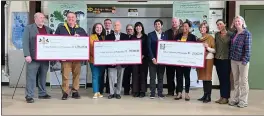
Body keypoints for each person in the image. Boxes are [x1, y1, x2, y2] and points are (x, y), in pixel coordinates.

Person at [55, 12, 87, 100]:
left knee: (76, 74)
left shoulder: (81, 30)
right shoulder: (61, 28)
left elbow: (85, 41)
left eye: (73, 17)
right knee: (65, 75)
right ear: (66, 18)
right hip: (65, 57)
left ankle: (75, 91)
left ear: (75, 19)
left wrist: (79, 37)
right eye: (69, 17)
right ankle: (65, 92)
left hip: (77, 57)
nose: (71, 19)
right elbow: (55, 40)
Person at [22, 12, 53, 103]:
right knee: (31, 77)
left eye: (43, 17)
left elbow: (53, 41)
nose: (42, 19)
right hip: (33, 57)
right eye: (40, 17)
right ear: (35, 19)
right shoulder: (29, 28)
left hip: (44, 58)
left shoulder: (48, 29)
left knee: (43, 76)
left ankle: (42, 93)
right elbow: (25, 42)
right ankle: (29, 95)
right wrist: (27, 54)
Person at [229, 16, 252, 108]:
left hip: (243, 61)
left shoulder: (247, 33)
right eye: (235, 21)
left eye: (238, 21)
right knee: (236, 81)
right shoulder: (234, 33)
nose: (237, 23)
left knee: (244, 81)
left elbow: (248, 49)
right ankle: (235, 99)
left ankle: (243, 101)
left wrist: (245, 60)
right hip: (233, 60)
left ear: (242, 22)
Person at [106, 21, 130, 99]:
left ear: (120, 27)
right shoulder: (108, 37)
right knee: (111, 77)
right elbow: (107, 49)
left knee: (120, 77)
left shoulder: (126, 36)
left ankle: (118, 93)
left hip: (121, 61)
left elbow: (127, 48)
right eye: (115, 25)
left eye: (118, 25)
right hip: (111, 62)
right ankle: (111, 93)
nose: (116, 26)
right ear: (113, 27)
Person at [174, 20, 196, 101]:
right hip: (179, 60)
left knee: (187, 77)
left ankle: (187, 93)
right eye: (183, 26)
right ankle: (179, 93)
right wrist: (177, 43)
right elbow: (173, 47)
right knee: (179, 77)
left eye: (186, 26)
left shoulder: (192, 37)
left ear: (189, 28)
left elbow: (195, 48)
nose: (184, 28)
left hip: (187, 61)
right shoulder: (177, 36)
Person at [148, 19, 168, 99]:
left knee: (160, 77)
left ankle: (160, 93)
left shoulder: (165, 35)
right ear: (154, 26)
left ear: (161, 26)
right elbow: (149, 47)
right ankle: (152, 93)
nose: (157, 25)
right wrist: (153, 58)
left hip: (162, 60)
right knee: (152, 77)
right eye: (156, 24)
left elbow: (167, 47)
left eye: (159, 24)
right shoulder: (150, 34)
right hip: (152, 60)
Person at [214, 19, 233, 104]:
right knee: (221, 79)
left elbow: (232, 47)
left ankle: (226, 97)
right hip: (218, 59)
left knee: (226, 79)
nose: (219, 26)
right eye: (217, 25)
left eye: (220, 24)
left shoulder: (231, 34)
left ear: (224, 24)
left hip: (226, 59)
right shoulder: (217, 35)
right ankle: (222, 96)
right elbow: (215, 47)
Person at [196, 23, 215, 103]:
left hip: (208, 59)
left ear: (206, 29)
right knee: (203, 78)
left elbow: (214, 50)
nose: (202, 29)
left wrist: (207, 47)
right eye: (201, 27)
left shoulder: (210, 38)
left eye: (204, 27)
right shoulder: (199, 39)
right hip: (201, 60)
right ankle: (205, 95)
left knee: (208, 78)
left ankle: (208, 96)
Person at [131, 22, 148, 98]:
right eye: (137, 26)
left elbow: (147, 47)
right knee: (135, 75)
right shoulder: (132, 37)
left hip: (143, 59)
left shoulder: (145, 36)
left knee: (143, 75)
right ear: (135, 28)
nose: (138, 28)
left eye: (139, 26)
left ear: (142, 28)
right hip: (134, 59)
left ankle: (143, 91)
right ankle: (135, 91)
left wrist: (143, 55)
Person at [165, 17, 181, 96]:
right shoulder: (167, 32)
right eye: (173, 22)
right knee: (170, 75)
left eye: (175, 22)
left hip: (179, 58)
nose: (174, 23)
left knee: (179, 75)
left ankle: (179, 91)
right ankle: (170, 91)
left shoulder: (183, 32)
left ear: (179, 23)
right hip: (169, 58)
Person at [89, 23, 106, 99]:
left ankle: (99, 92)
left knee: (100, 76)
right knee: (95, 76)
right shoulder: (91, 37)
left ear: (102, 29)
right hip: (94, 60)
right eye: (97, 27)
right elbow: (91, 48)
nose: (99, 29)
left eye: (100, 27)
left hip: (102, 60)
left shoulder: (104, 37)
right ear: (94, 28)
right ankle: (95, 92)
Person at [100, 18, 114, 94]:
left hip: (111, 58)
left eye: (109, 23)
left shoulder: (114, 33)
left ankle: (109, 90)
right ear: (104, 24)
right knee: (102, 74)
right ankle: (101, 89)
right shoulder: (101, 33)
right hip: (102, 57)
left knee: (110, 75)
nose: (107, 24)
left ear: (111, 24)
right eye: (106, 23)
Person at [123, 24, 134, 95]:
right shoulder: (123, 37)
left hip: (134, 60)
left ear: (133, 30)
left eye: (131, 29)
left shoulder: (135, 37)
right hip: (125, 60)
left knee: (135, 76)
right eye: (128, 29)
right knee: (126, 76)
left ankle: (134, 89)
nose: (129, 31)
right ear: (126, 30)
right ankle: (126, 90)